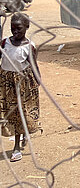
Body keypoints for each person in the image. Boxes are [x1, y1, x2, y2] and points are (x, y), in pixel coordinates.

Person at [0, 13, 41, 162]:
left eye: (19, 28)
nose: (15, 32)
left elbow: (34, 65)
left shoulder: (29, 46)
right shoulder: (5, 43)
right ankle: (22, 136)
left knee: (22, 112)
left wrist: (38, 82)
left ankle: (17, 147)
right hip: (6, 82)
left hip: (23, 83)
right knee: (12, 113)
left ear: (27, 27)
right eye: (13, 28)